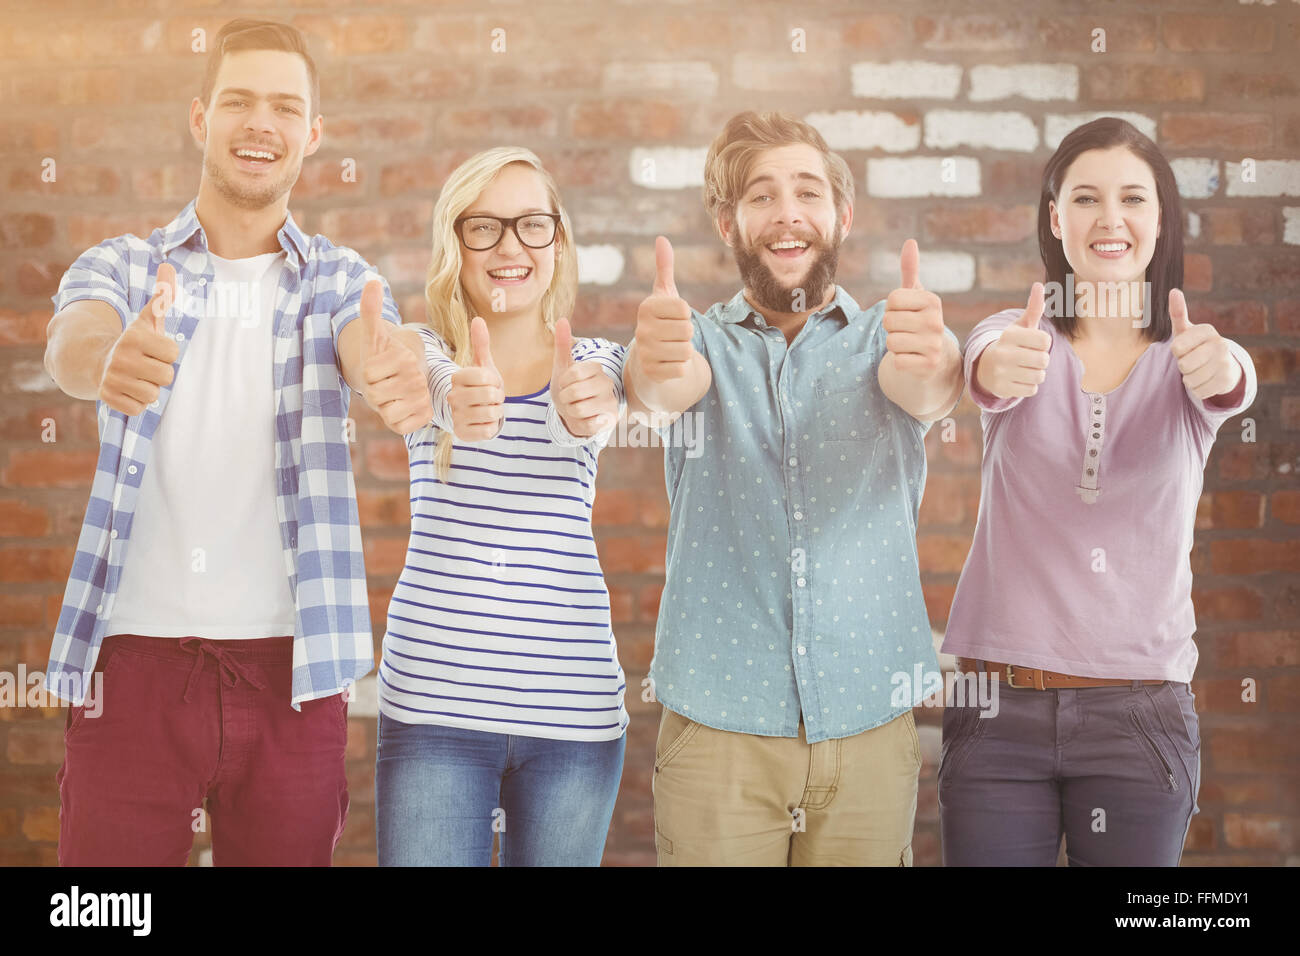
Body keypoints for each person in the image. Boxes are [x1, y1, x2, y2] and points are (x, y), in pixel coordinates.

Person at [40, 18, 433, 866]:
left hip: (293, 671)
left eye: (286, 107)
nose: (263, 123)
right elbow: (73, 342)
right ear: (199, 117)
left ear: (312, 134)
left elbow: (370, 346)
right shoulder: (124, 265)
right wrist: (106, 358)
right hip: (133, 666)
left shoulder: (341, 279)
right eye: (240, 101)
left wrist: (393, 373)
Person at [624, 111, 965, 866]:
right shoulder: (694, 340)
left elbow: (932, 384)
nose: (788, 213)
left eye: (807, 193)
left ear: (840, 216)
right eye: (761, 196)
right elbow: (655, 390)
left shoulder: (888, 337)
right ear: (728, 222)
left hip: (868, 729)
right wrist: (653, 367)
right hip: (721, 733)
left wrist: (937, 358)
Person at [939, 117, 1257, 866]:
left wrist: (1226, 370)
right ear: (1056, 219)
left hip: (1140, 718)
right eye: (1085, 199)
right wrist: (989, 369)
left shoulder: (1193, 357)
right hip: (996, 711)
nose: (1109, 219)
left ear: (1159, 220)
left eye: (1132, 199)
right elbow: (984, 366)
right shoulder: (1013, 337)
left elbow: (1231, 379)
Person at [374, 147, 629, 867]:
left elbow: (606, 396)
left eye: (531, 225)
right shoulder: (424, 354)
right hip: (434, 716)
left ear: (559, 242)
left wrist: (592, 404)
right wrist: (454, 396)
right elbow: (413, 367)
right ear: (453, 243)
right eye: (482, 226)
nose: (510, 246)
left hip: (573, 720)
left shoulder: (595, 363)